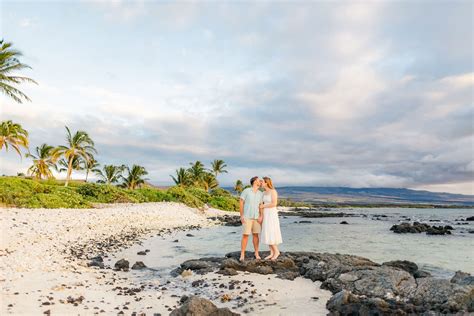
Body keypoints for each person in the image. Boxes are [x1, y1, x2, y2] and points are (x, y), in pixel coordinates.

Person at [239, 176, 264, 261]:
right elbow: (241, 203)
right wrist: (241, 215)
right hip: (247, 216)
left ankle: (256, 253)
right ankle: (242, 254)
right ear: (254, 182)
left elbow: (261, 206)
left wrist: (261, 216)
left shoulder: (261, 193)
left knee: (256, 235)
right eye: (258, 180)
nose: (260, 181)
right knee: (245, 235)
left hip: (257, 217)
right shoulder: (246, 191)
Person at [259, 177, 282, 260]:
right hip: (265, 213)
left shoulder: (273, 191)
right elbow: (260, 205)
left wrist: (263, 206)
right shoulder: (263, 193)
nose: (260, 183)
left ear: (266, 183)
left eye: (262, 181)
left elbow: (274, 204)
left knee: (271, 231)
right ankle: (271, 252)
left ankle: (276, 252)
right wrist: (261, 216)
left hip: (271, 213)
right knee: (266, 232)